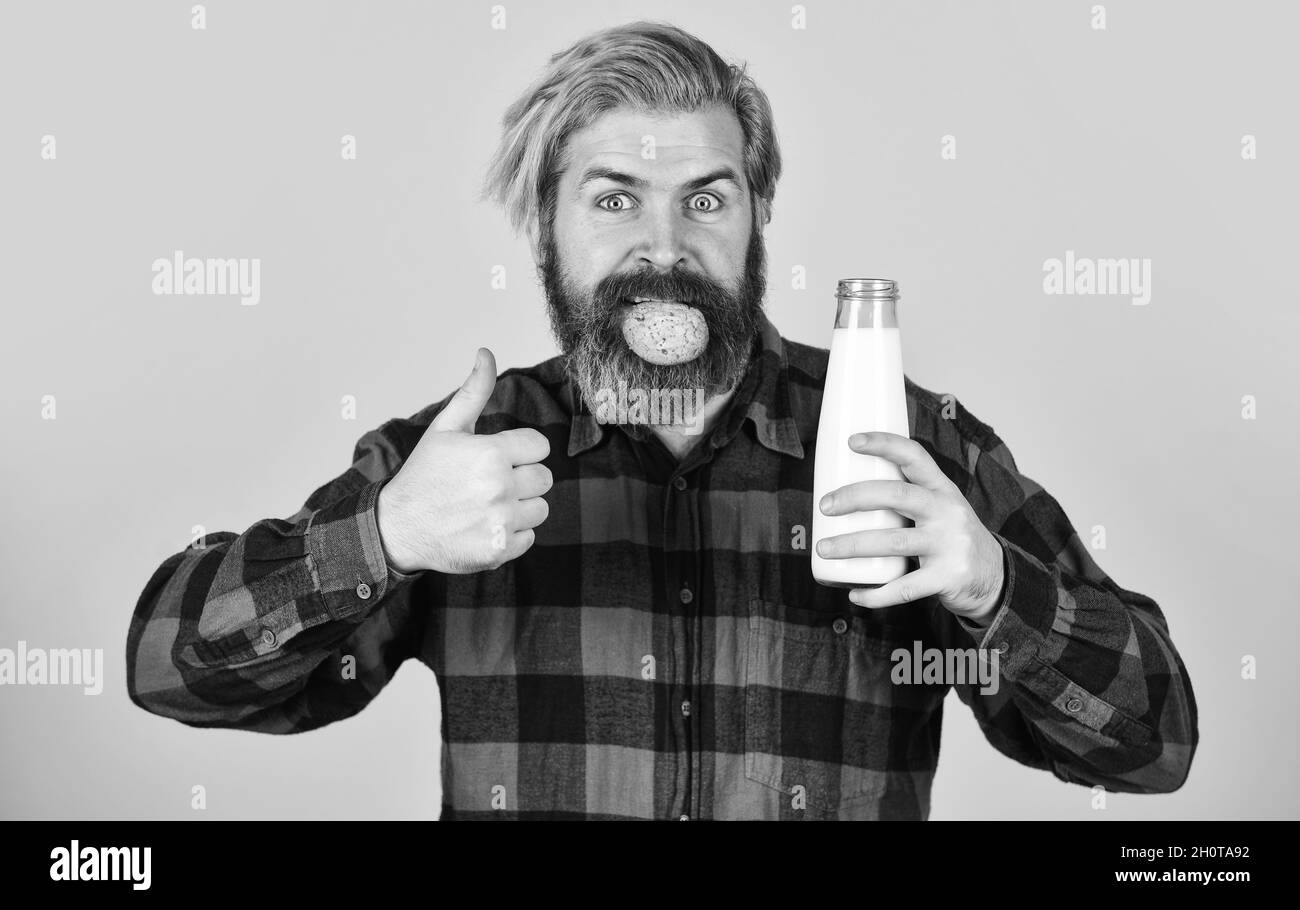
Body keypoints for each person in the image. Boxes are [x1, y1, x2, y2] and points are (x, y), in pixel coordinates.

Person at [127, 20, 1197, 820]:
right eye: (612, 198)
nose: (663, 246)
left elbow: (1156, 745)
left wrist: (991, 589)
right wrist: (383, 538)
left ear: (759, 210)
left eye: (705, 196)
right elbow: (168, 666)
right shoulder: (455, 462)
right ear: (542, 223)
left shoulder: (911, 449)